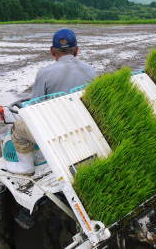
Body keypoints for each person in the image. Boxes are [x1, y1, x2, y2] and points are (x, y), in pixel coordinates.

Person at [10, 28, 97, 174]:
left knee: (18, 128)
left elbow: (34, 106)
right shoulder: (90, 71)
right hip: (84, 125)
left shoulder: (45, 73)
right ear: (76, 50)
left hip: (57, 131)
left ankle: (26, 167)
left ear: (52, 50)